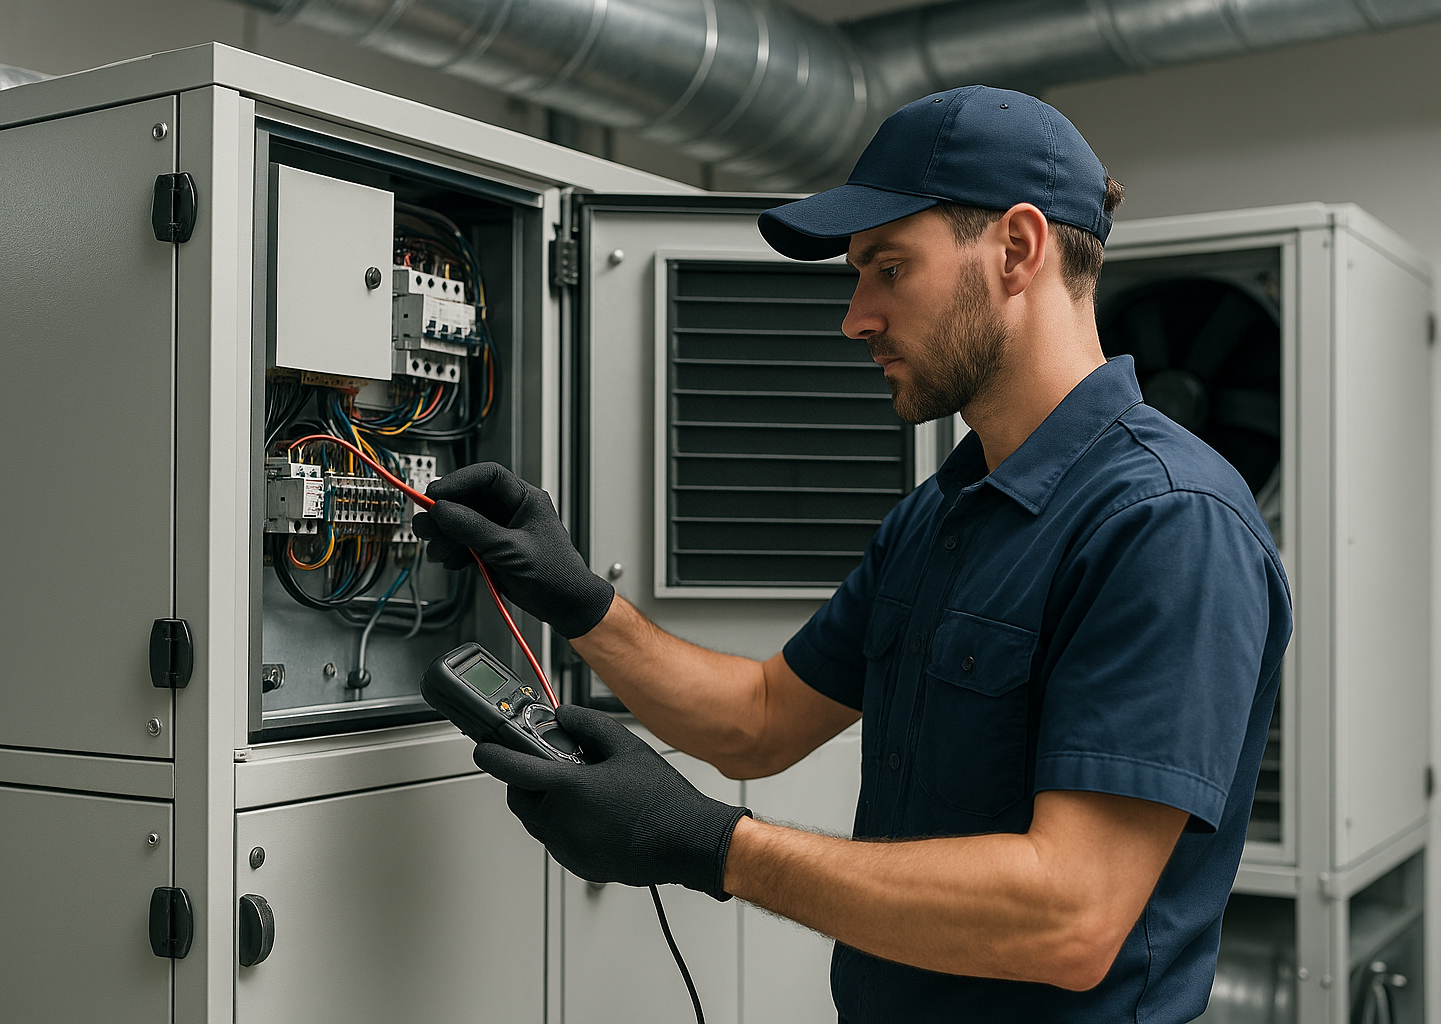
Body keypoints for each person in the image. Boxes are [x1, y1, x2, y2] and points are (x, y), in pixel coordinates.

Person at [412, 85, 1292, 1023]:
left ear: (1019, 249)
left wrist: (710, 844)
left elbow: (1069, 919)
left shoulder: (1167, 522)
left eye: (888, 267)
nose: (855, 317)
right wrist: (577, 597)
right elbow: (760, 719)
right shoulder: (940, 516)